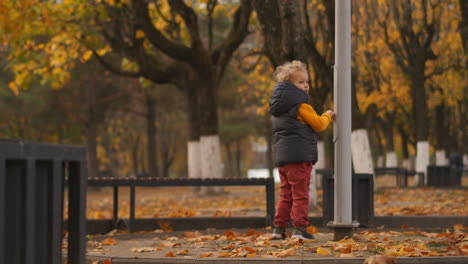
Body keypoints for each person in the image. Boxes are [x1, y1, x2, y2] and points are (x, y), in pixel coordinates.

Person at [268, 60, 335, 240]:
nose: (306, 86)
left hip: (283, 159)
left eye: (306, 81)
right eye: (301, 82)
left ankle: (278, 229)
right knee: (300, 195)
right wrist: (328, 115)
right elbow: (319, 125)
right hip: (299, 159)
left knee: (285, 194)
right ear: (290, 87)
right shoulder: (301, 106)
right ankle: (299, 229)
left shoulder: (277, 109)